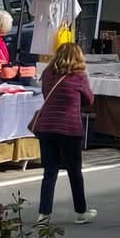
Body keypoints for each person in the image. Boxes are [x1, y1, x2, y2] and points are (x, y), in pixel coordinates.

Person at [35, 41, 96, 224]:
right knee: (74, 171)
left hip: (46, 126)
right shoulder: (78, 76)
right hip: (69, 128)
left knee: (50, 171)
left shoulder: (47, 73)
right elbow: (89, 100)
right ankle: (80, 212)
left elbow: (46, 95)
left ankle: (44, 214)